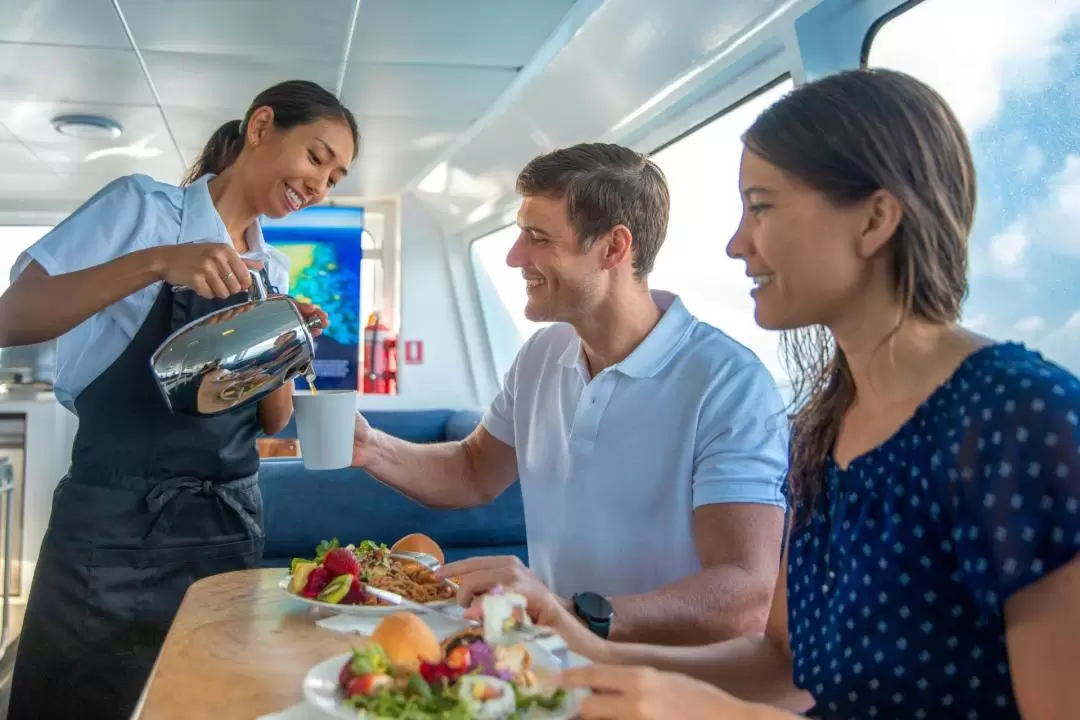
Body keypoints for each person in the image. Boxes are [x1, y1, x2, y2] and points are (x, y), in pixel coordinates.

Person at [471, 68, 1080, 719]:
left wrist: (705, 711)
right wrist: (588, 648)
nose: (737, 243)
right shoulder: (828, 426)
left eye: (761, 206)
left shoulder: (1024, 419)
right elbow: (781, 665)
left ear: (875, 218)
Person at [0, 79, 358, 719]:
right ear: (261, 127)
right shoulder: (142, 209)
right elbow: (13, 317)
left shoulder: (270, 271)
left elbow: (271, 421)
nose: (320, 185)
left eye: (336, 177)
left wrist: (286, 339)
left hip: (228, 530)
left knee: (207, 706)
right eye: (316, 157)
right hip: (115, 527)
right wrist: (159, 263)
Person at [353, 142, 790, 645]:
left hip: (674, 687)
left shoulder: (728, 382)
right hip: (557, 663)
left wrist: (572, 615)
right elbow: (473, 471)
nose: (516, 256)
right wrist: (371, 448)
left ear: (613, 248)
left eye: (538, 237)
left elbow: (747, 593)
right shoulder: (542, 353)